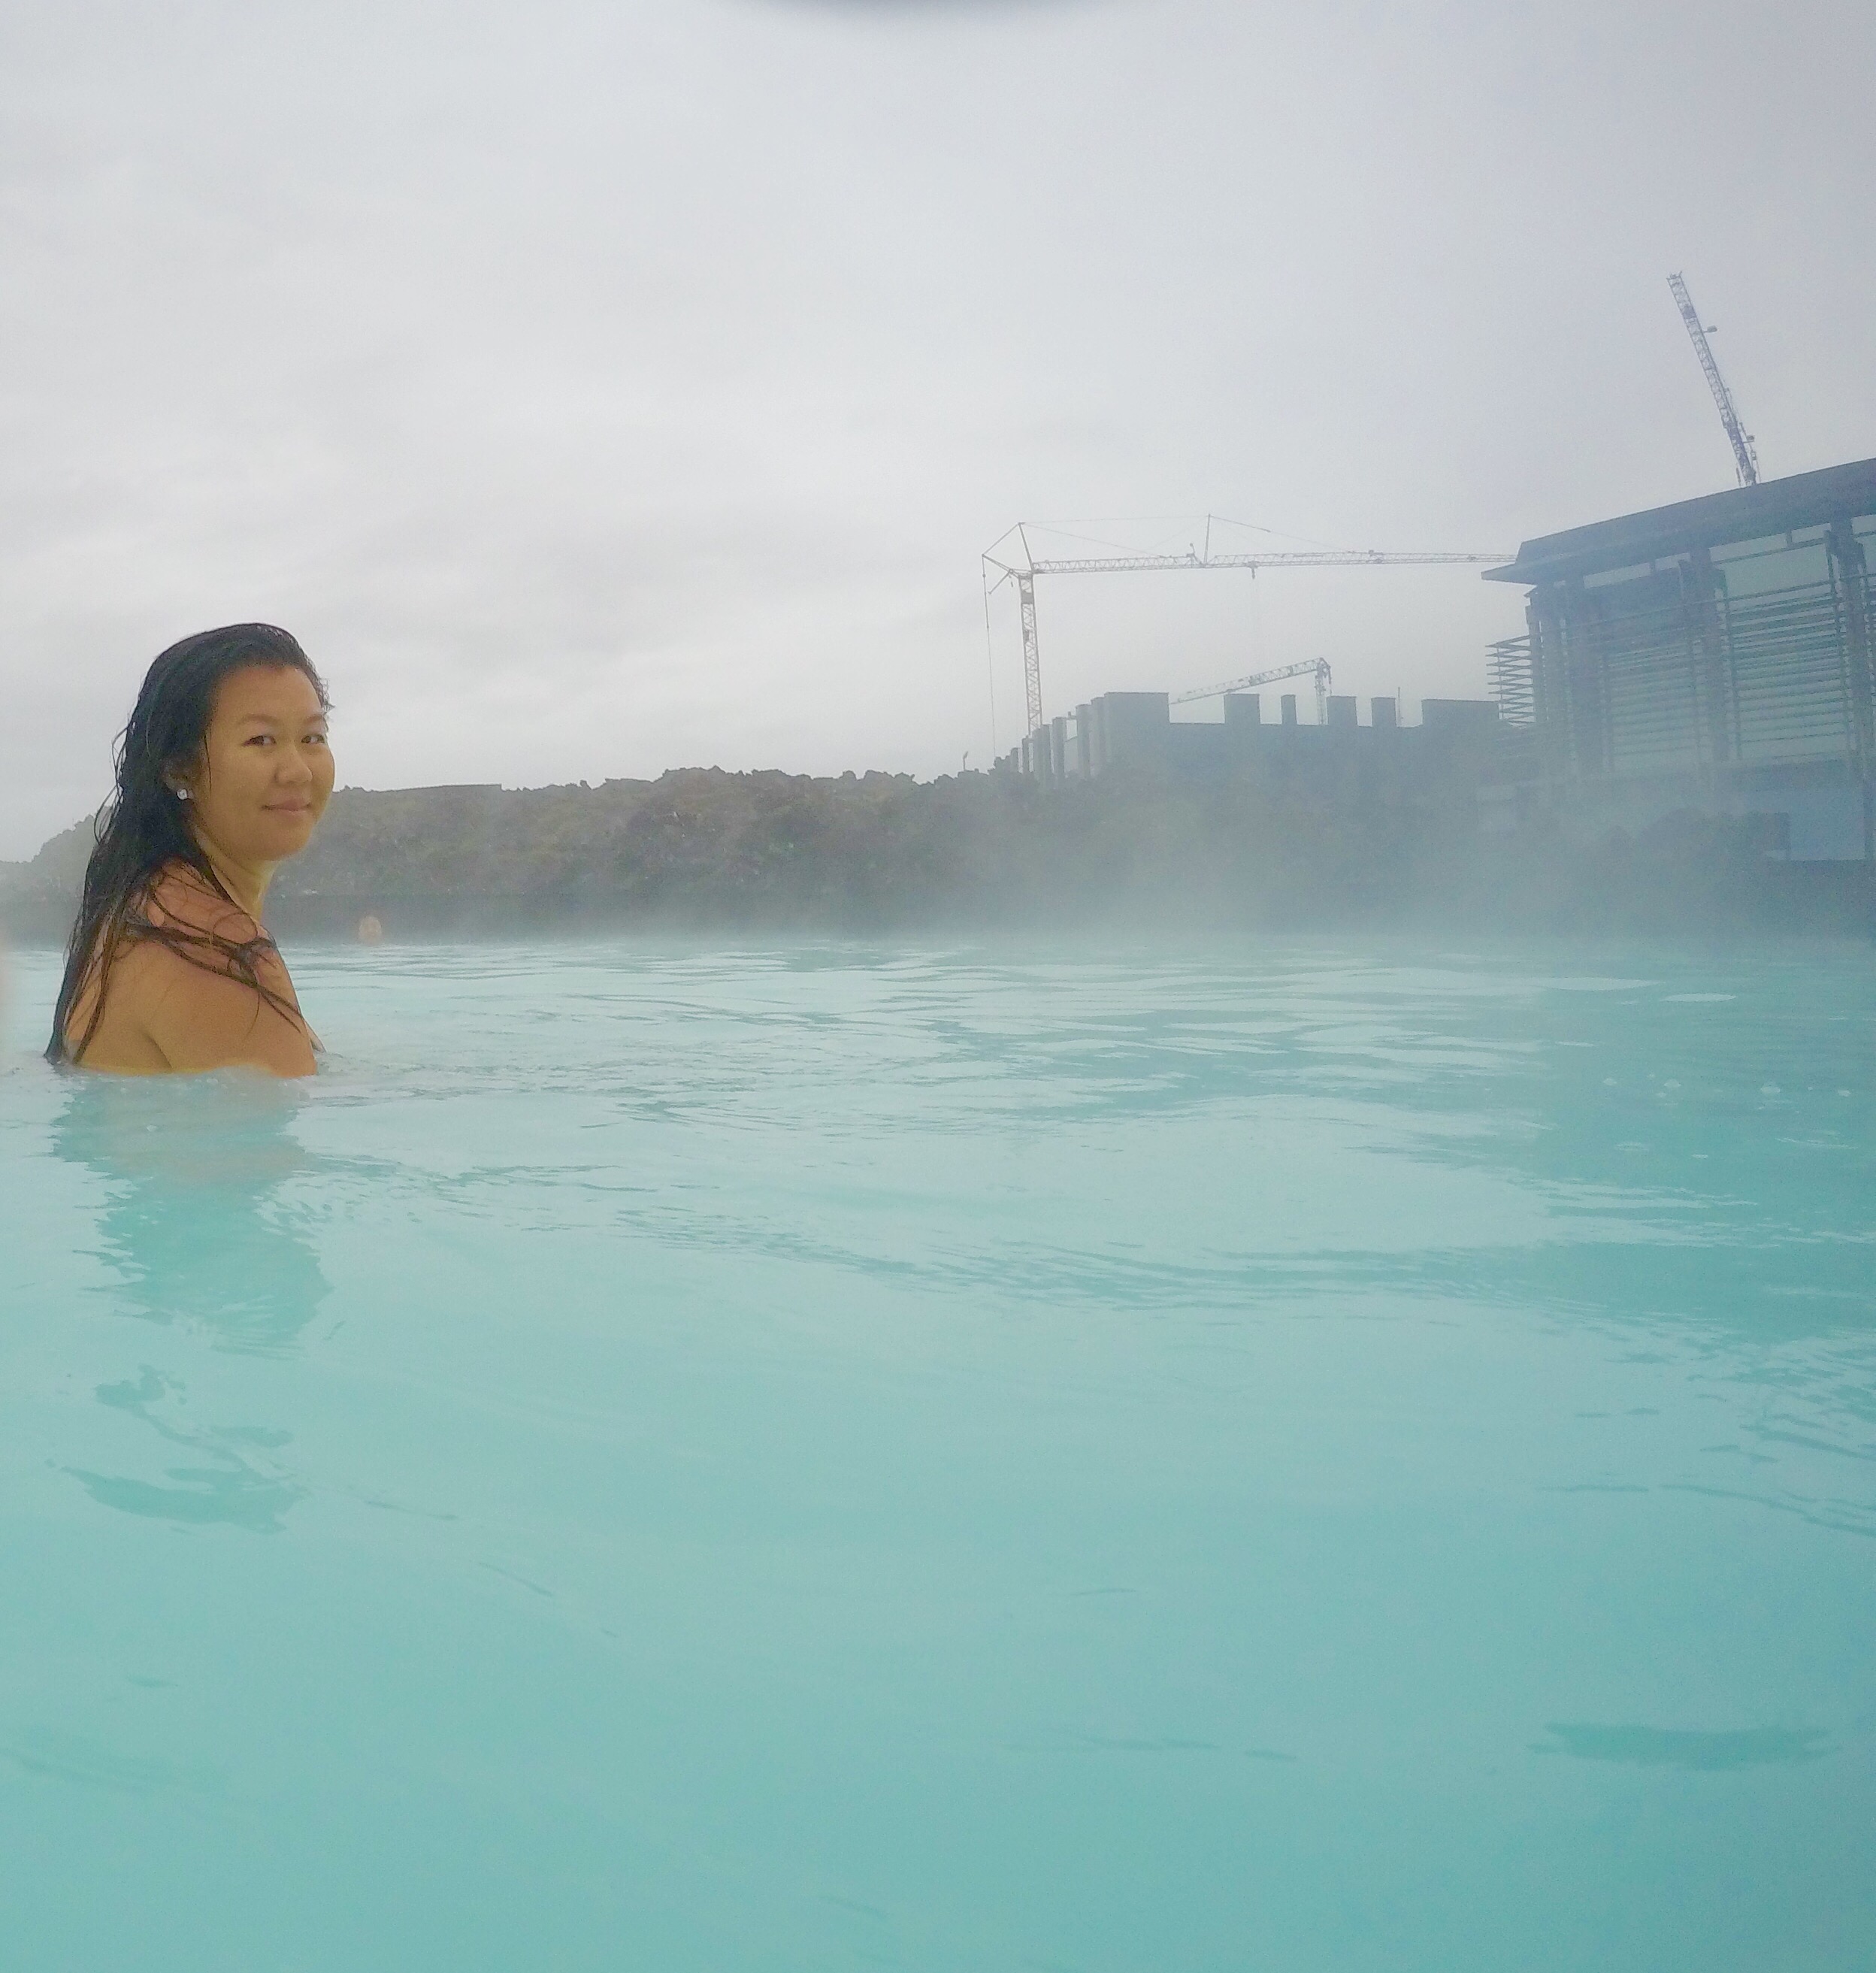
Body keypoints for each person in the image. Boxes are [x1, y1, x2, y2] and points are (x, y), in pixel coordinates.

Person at [47, 625, 334, 1076]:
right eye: (261, 740)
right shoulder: (210, 950)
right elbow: (280, 1119)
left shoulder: (142, 912)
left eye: (312, 738)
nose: (298, 771)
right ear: (180, 768)